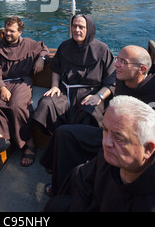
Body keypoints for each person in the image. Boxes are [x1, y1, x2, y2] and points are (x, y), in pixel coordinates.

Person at [41, 45, 154, 196]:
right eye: (117, 59)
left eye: (123, 62)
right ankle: (59, 187)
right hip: (109, 135)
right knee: (64, 133)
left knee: (81, 171)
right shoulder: (122, 78)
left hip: (132, 147)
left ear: (141, 69)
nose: (116, 65)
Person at [44, 95, 155, 212]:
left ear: (148, 149)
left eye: (119, 138)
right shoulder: (109, 158)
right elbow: (85, 181)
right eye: (105, 130)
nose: (106, 143)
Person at [0, 16, 49, 167]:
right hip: (2, 84)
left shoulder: (29, 44)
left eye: (12, 31)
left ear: (20, 32)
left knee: (16, 105)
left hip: (21, 82)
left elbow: (43, 48)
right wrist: (1, 87)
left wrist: (41, 58)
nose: (8, 34)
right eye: (6, 30)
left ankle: (29, 141)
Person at [33, 14, 116, 135]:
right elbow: (56, 69)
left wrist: (99, 96)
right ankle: (57, 138)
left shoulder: (103, 50)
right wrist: (55, 86)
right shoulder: (64, 46)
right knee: (47, 103)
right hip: (65, 93)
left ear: (89, 29)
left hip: (90, 94)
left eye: (81, 27)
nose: (77, 30)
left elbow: (111, 81)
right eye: (74, 26)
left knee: (90, 112)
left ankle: (83, 148)